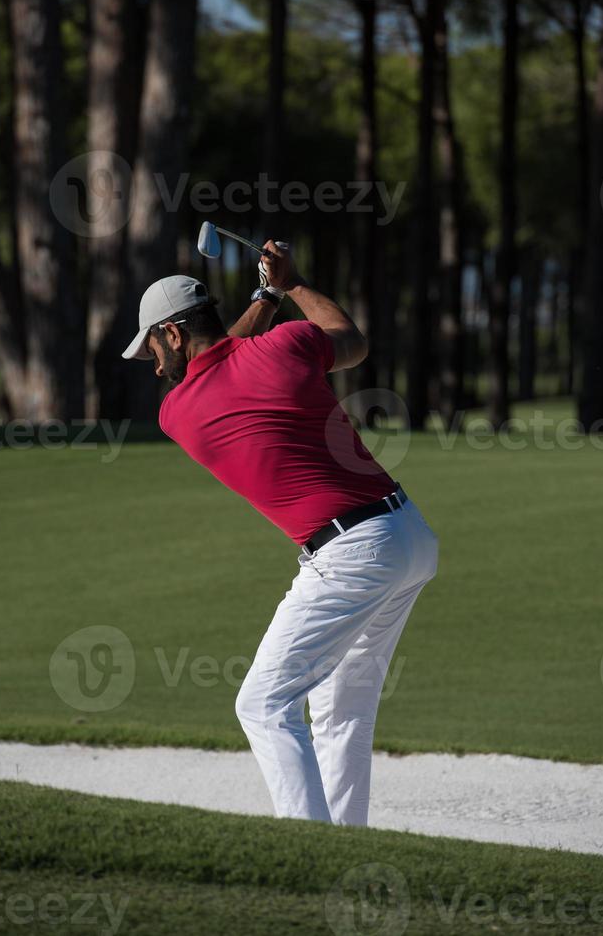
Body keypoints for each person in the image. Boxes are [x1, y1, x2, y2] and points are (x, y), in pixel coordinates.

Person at [122, 241, 438, 826]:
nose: (155, 365)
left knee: (264, 704)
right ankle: (344, 848)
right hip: (408, 534)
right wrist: (287, 287)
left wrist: (266, 297)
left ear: (170, 334)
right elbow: (349, 337)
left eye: (153, 348)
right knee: (340, 706)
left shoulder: (179, 411)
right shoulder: (288, 345)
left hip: (350, 553)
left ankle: (311, 849)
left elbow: (220, 353)